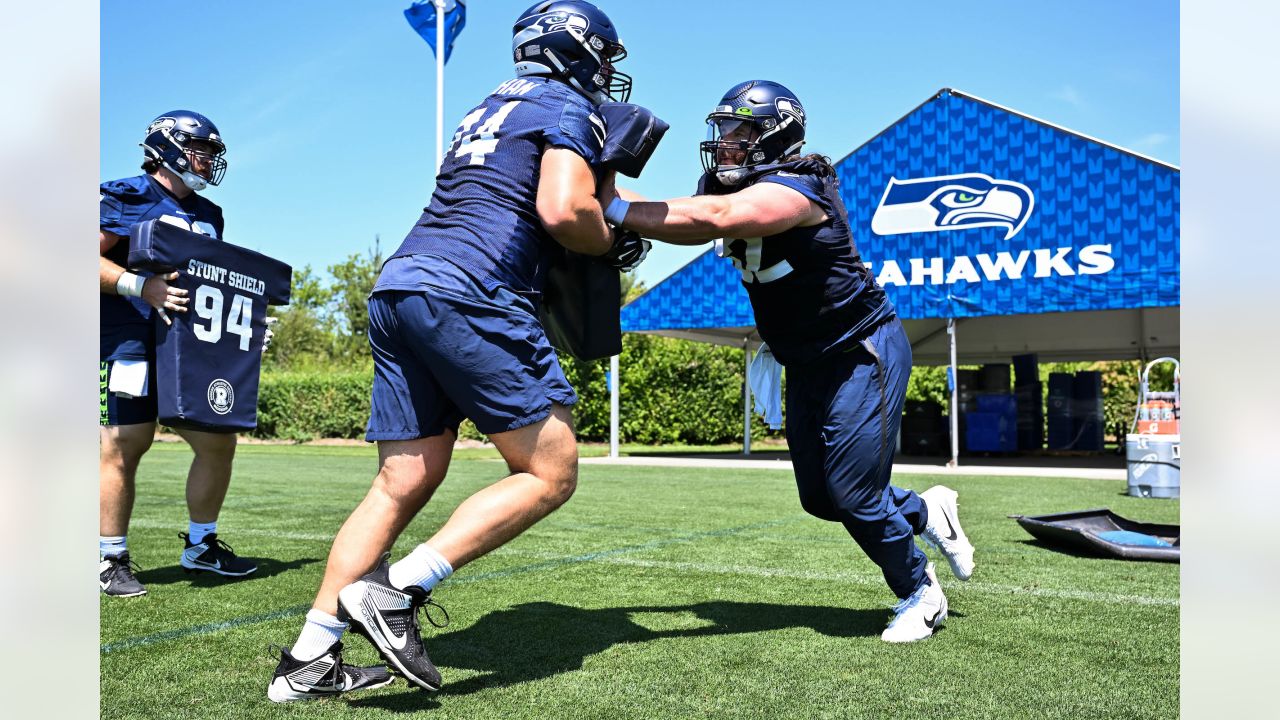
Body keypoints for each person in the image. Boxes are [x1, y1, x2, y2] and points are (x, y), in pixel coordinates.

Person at [268, 1, 648, 702]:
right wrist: (610, 239)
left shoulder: (487, 107)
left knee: (401, 482)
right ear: (577, 50)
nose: (606, 71)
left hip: (401, 284)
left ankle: (309, 658)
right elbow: (565, 210)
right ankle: (401, 588)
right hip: (473, 289)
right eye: (603, 55)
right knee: (551, 470)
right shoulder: (569, 104)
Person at [601, 80, 977, 643]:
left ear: (776, 136)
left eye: (740, 130)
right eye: (723, 129)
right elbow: (699, 214)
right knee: (821, 499)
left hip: (860, 348)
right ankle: (926, 511)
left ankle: (920, 592)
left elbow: (716, 219)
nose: (725, 142)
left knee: (854, 493)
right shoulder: (724, 184)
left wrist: (612, 204)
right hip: (804, 359)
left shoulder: (801, 187)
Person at [99, 110, 261, 600]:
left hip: (189, 343)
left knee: (218, 440)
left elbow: (218, 279)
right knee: (125, 442)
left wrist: (244, 323)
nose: (209, 161)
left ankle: (201, 545)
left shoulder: (209, 215)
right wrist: (137, 284)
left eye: (212, 153)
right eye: (202, 150)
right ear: (167, 147)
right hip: (126, 335)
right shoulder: (125, 195)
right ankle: (109, 558)